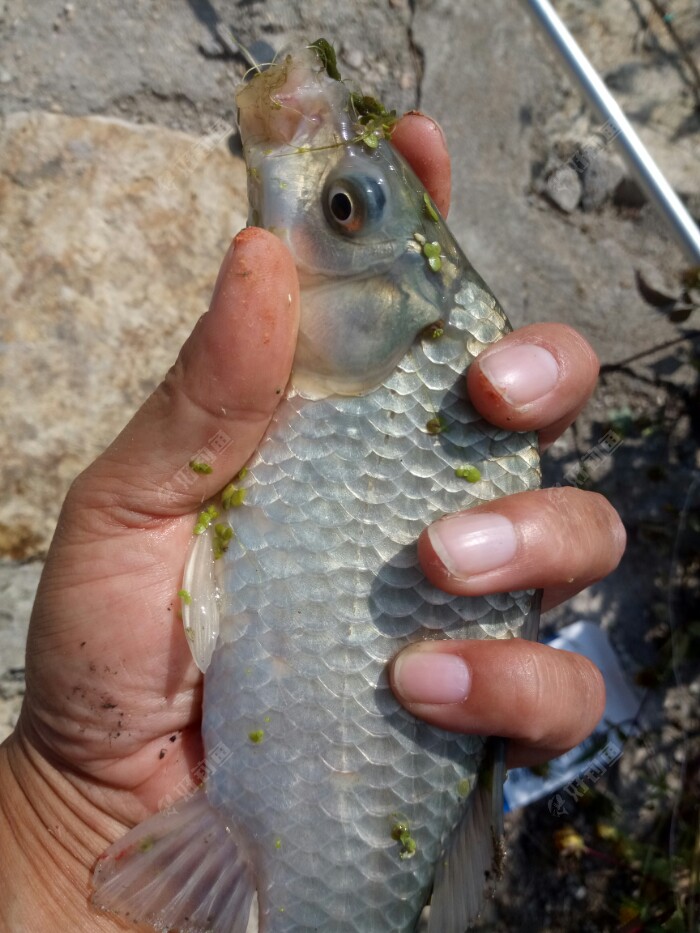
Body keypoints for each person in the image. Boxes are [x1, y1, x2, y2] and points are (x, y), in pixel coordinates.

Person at [0, 112, 624, 931]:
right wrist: (59, 808)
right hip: (161, 836)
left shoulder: (424, 362)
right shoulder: (286, 376)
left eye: (342, 208)